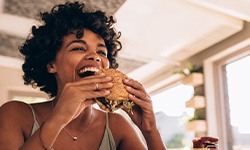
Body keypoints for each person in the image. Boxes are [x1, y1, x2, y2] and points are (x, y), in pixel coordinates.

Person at [0, 2, 166, 150]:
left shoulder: (117, 126)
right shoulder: (15, 114)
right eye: (78, 48)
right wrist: (58, 120)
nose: (95, 56)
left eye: (101, 51)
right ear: (51, 65)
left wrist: (150, 130)